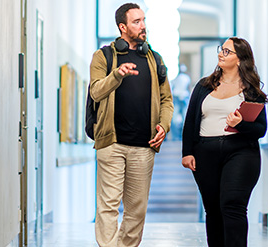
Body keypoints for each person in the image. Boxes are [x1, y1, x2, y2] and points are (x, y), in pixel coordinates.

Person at [88, 3, 173, 246]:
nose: (143, 25)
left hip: (144, 147)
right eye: (136, 21)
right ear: (122, 27)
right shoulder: (103, 56)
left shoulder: (155, 59)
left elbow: (167, 100)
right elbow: (95, 92)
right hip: (111, 143)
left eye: (143, 20)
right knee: (108, 207)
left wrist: (163, 126)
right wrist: (117, 75)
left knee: (136, 211)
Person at [181, 37, 268, 247]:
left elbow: (260, 129)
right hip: (205, 153)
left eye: (227, 51)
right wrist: (187, 152)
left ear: (240, 60)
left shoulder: (251, 91)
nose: (221, 53)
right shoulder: (204, 86)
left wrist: (241, 124)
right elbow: (191, 119)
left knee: (233, 205)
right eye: (222, 49)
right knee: (212, 209)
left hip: (240, 153)